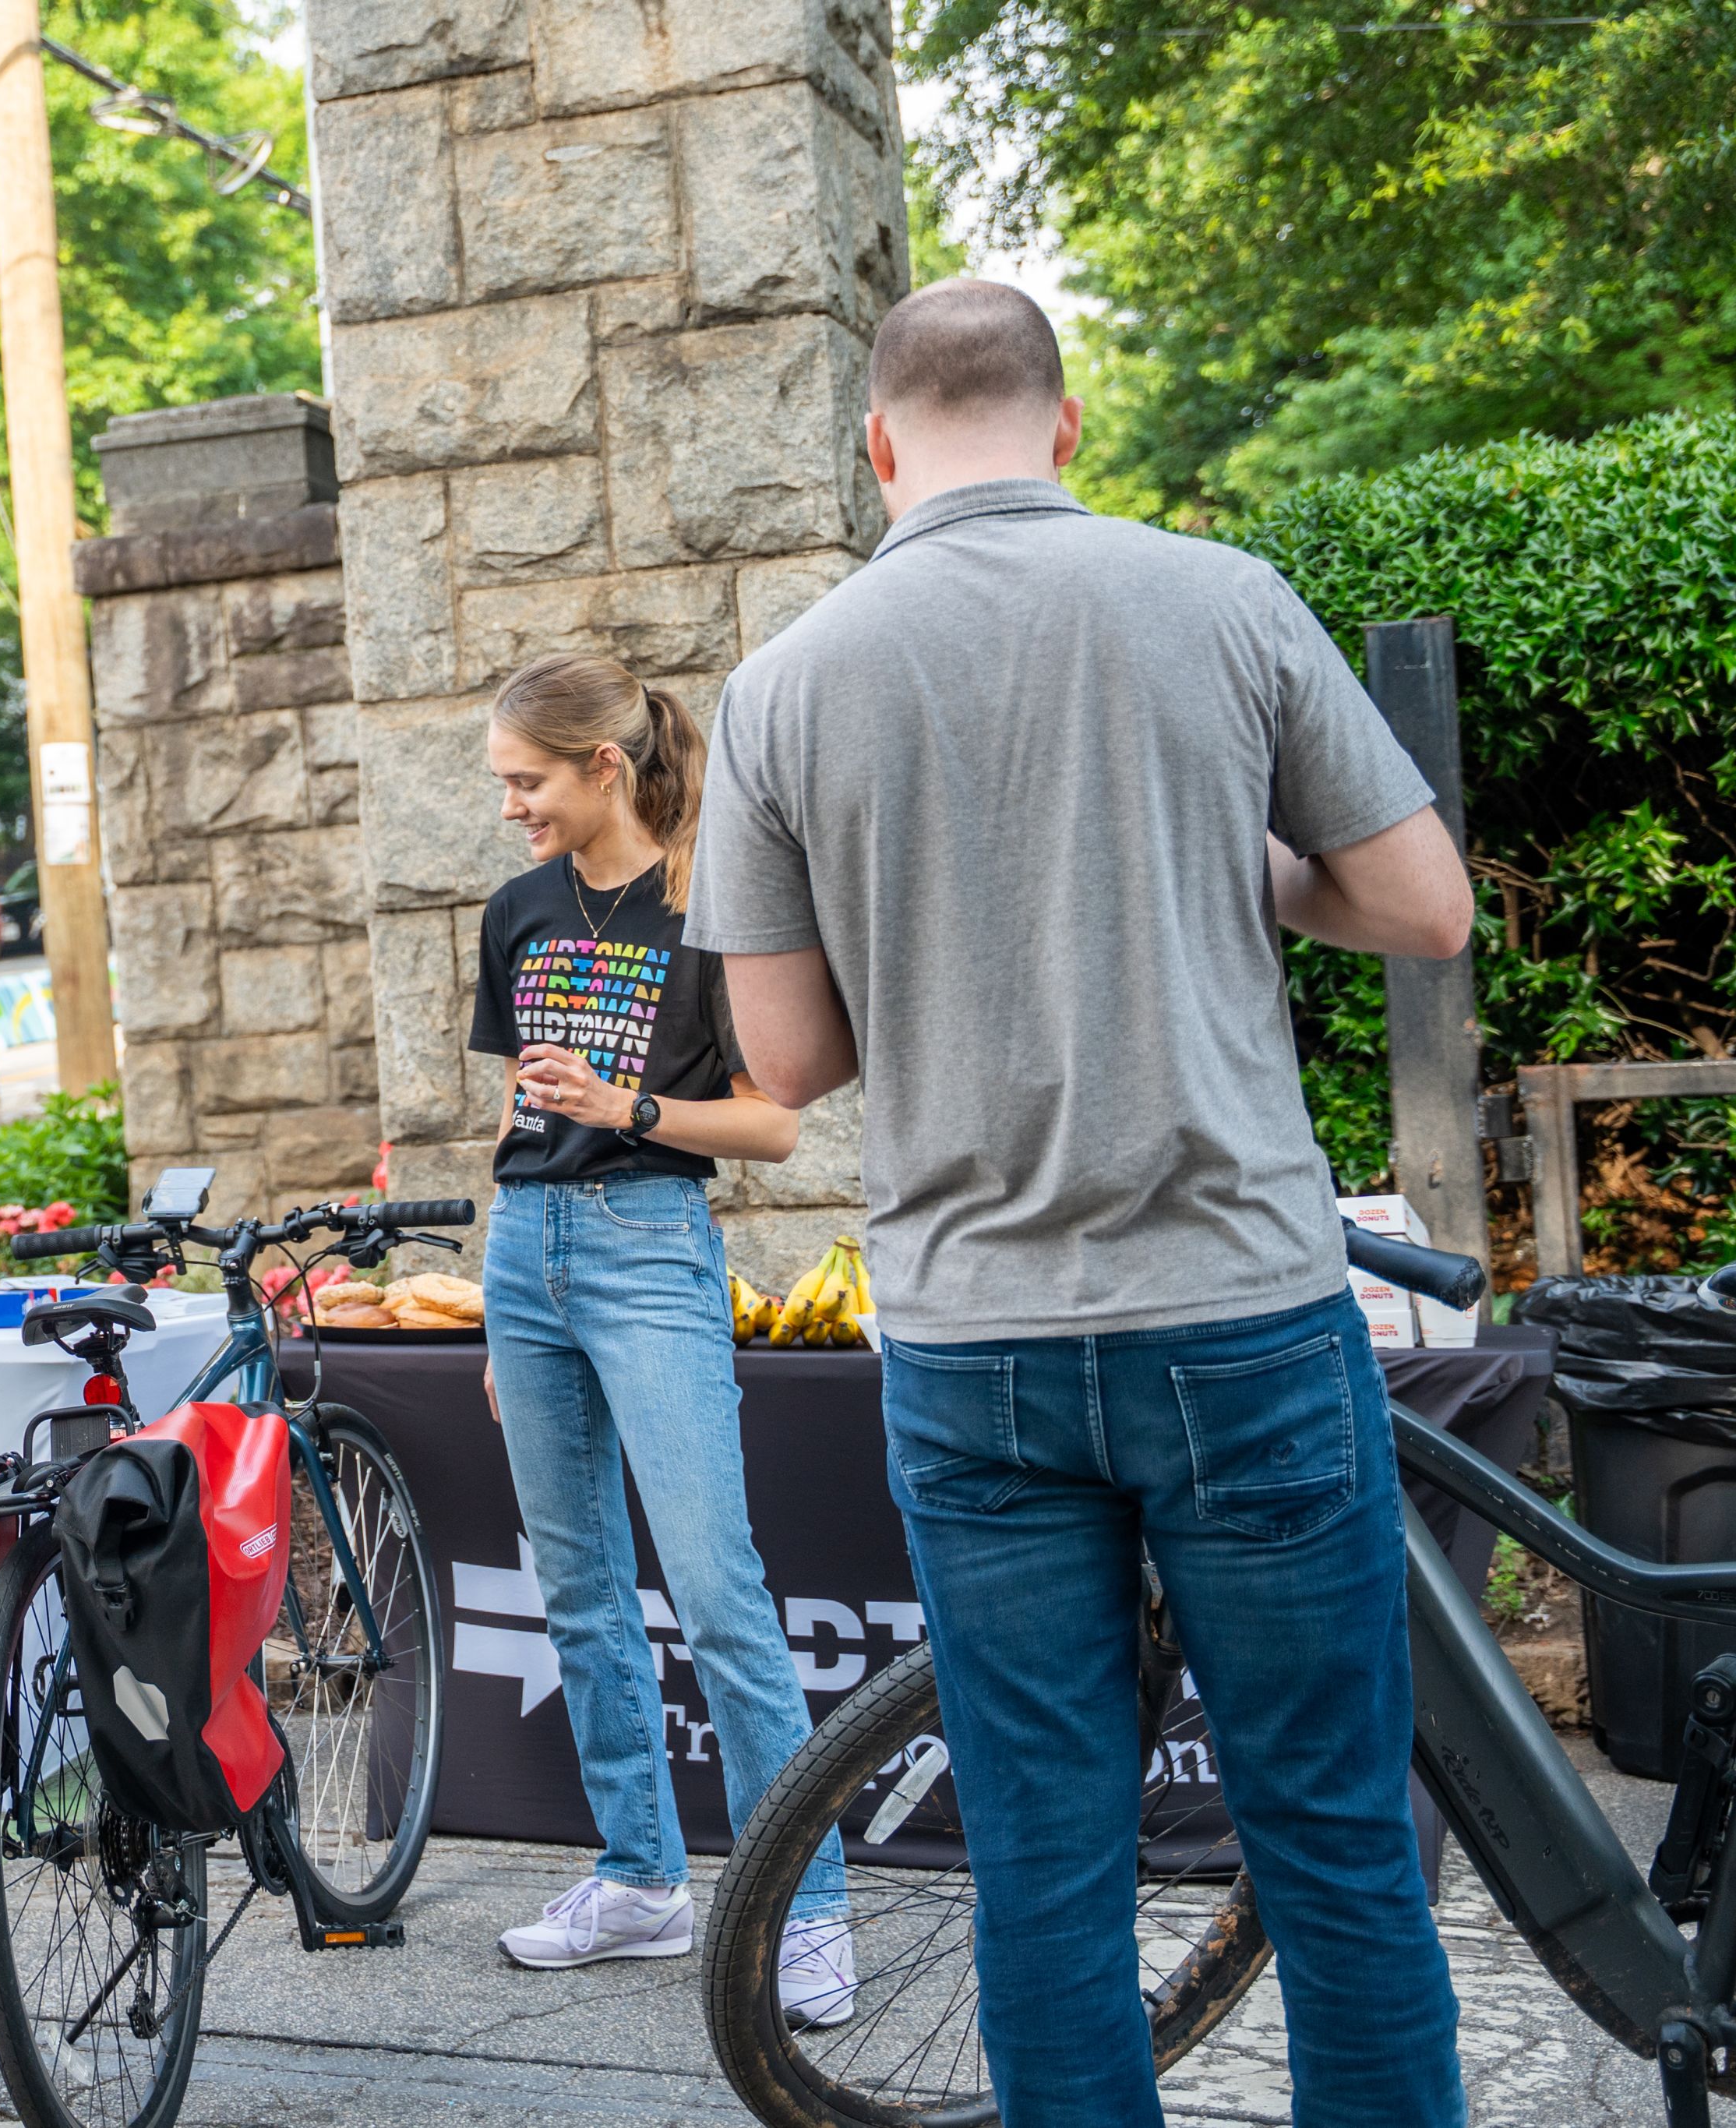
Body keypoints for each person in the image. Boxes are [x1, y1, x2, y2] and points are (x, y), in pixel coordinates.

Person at [689, 279, 1477, 2127]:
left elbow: (786, 1060)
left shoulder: (780, 687)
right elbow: (1427, 907)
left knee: (1045, 1855)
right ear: (1065, 425)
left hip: (975, 1342)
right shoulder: (1220, 597)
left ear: (876, 447)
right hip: (1239, 1314)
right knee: (1332, 1841)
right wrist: (1247, 868)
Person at [465, 652, 852, 2017]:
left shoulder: (709, 908)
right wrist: (497, 1302)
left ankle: (808, 1904)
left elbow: (774, 1122)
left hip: (650, 1244)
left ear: (603, 768)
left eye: (528, 783)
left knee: (718, 1589)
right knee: (578, 1590)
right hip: (529, 1255)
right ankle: (637, 1877)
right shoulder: (516, 912)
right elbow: (515, 1115)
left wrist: (626, 1106)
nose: (513, 808)